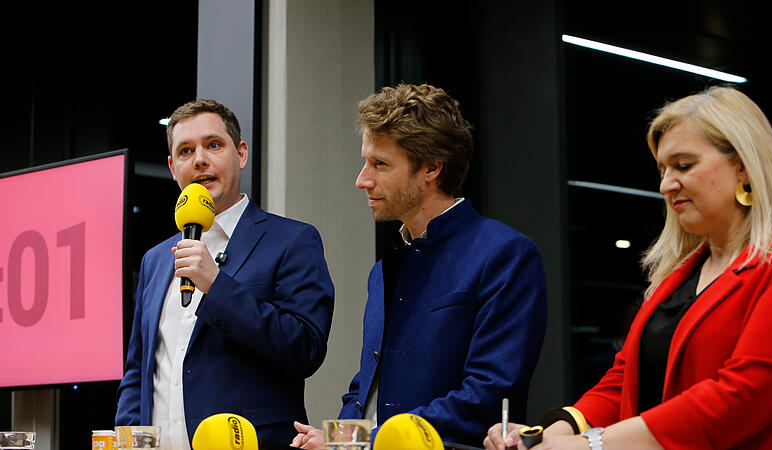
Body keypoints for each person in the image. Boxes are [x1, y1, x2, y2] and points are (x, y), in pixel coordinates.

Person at [485, 85, 772, 450]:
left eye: (684, 165)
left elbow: (742, 397)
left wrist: (591, 445)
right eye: (662, 170)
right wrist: (552, 434)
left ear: (743, 165)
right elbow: (623, 381)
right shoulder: (679, 276)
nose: (666, 184)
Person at [291, 83, 548, 448]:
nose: (362, 179)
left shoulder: (506, 254)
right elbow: (368, 389)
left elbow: (486, 396)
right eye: (366, 161)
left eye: (379, 164)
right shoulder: (384, 270)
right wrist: (335, 439)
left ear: (431, 168)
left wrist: (365, 443)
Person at [116, 99, 335, 449]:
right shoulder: (155, 259)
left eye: (213, 145)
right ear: (173, 168)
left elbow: (304, 348)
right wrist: (127, 437)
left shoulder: (292, 240)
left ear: (241, 154)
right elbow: (140, 370)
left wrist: (217, 286)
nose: (199, 159)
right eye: (186, 151)